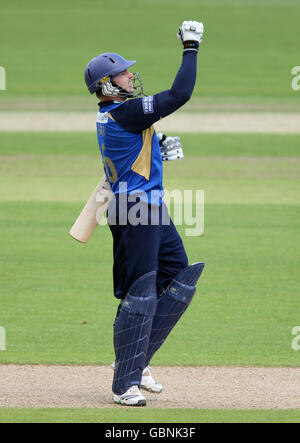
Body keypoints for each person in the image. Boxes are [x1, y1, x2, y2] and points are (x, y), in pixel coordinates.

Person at [84, 20, 205, 406]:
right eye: (121, 73)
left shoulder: (117, 115)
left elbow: (132, 146)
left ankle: (139, 363)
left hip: (148, 207)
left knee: (177, 276)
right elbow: (180, 93)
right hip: (135, 211)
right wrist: (191, 46)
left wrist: (159, 147)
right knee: (141, 293)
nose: (129, 75)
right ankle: (125, 385)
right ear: (106, 84)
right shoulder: (126, 113)